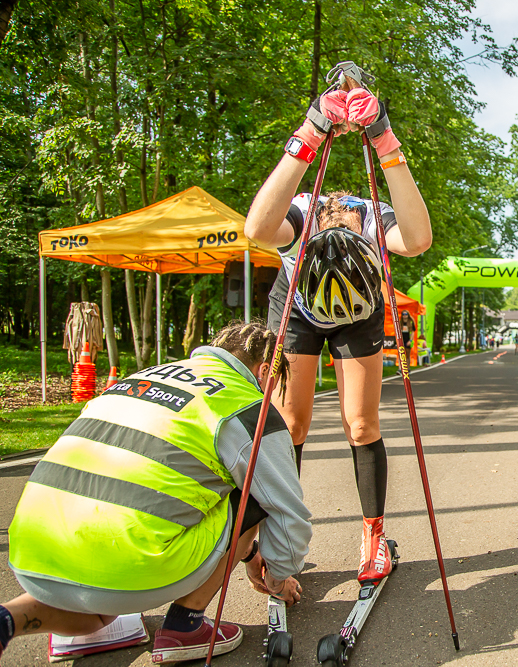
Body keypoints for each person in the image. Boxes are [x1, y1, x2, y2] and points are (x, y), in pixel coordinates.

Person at [1, 321, 310, 662]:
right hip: (129, 565)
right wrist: (279, 579)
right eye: (276, 383)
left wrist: (250, 555)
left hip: (33, 554)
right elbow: (287, 512)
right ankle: (185, 625)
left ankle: (9, 619)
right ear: (265, 369)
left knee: (101, 607)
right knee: (254, 489)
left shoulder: (141, 376)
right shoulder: (247, 405)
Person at [244, 75, 432, 586]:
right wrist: (311, 129)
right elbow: (257, 228)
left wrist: (385, 141)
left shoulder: (372, 214)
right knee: (291, 423)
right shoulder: (302, 212)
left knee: (361, 425)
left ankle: (373, 537)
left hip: (360, 310)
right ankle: (277, 535)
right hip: (298, 308)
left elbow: (416, 240)